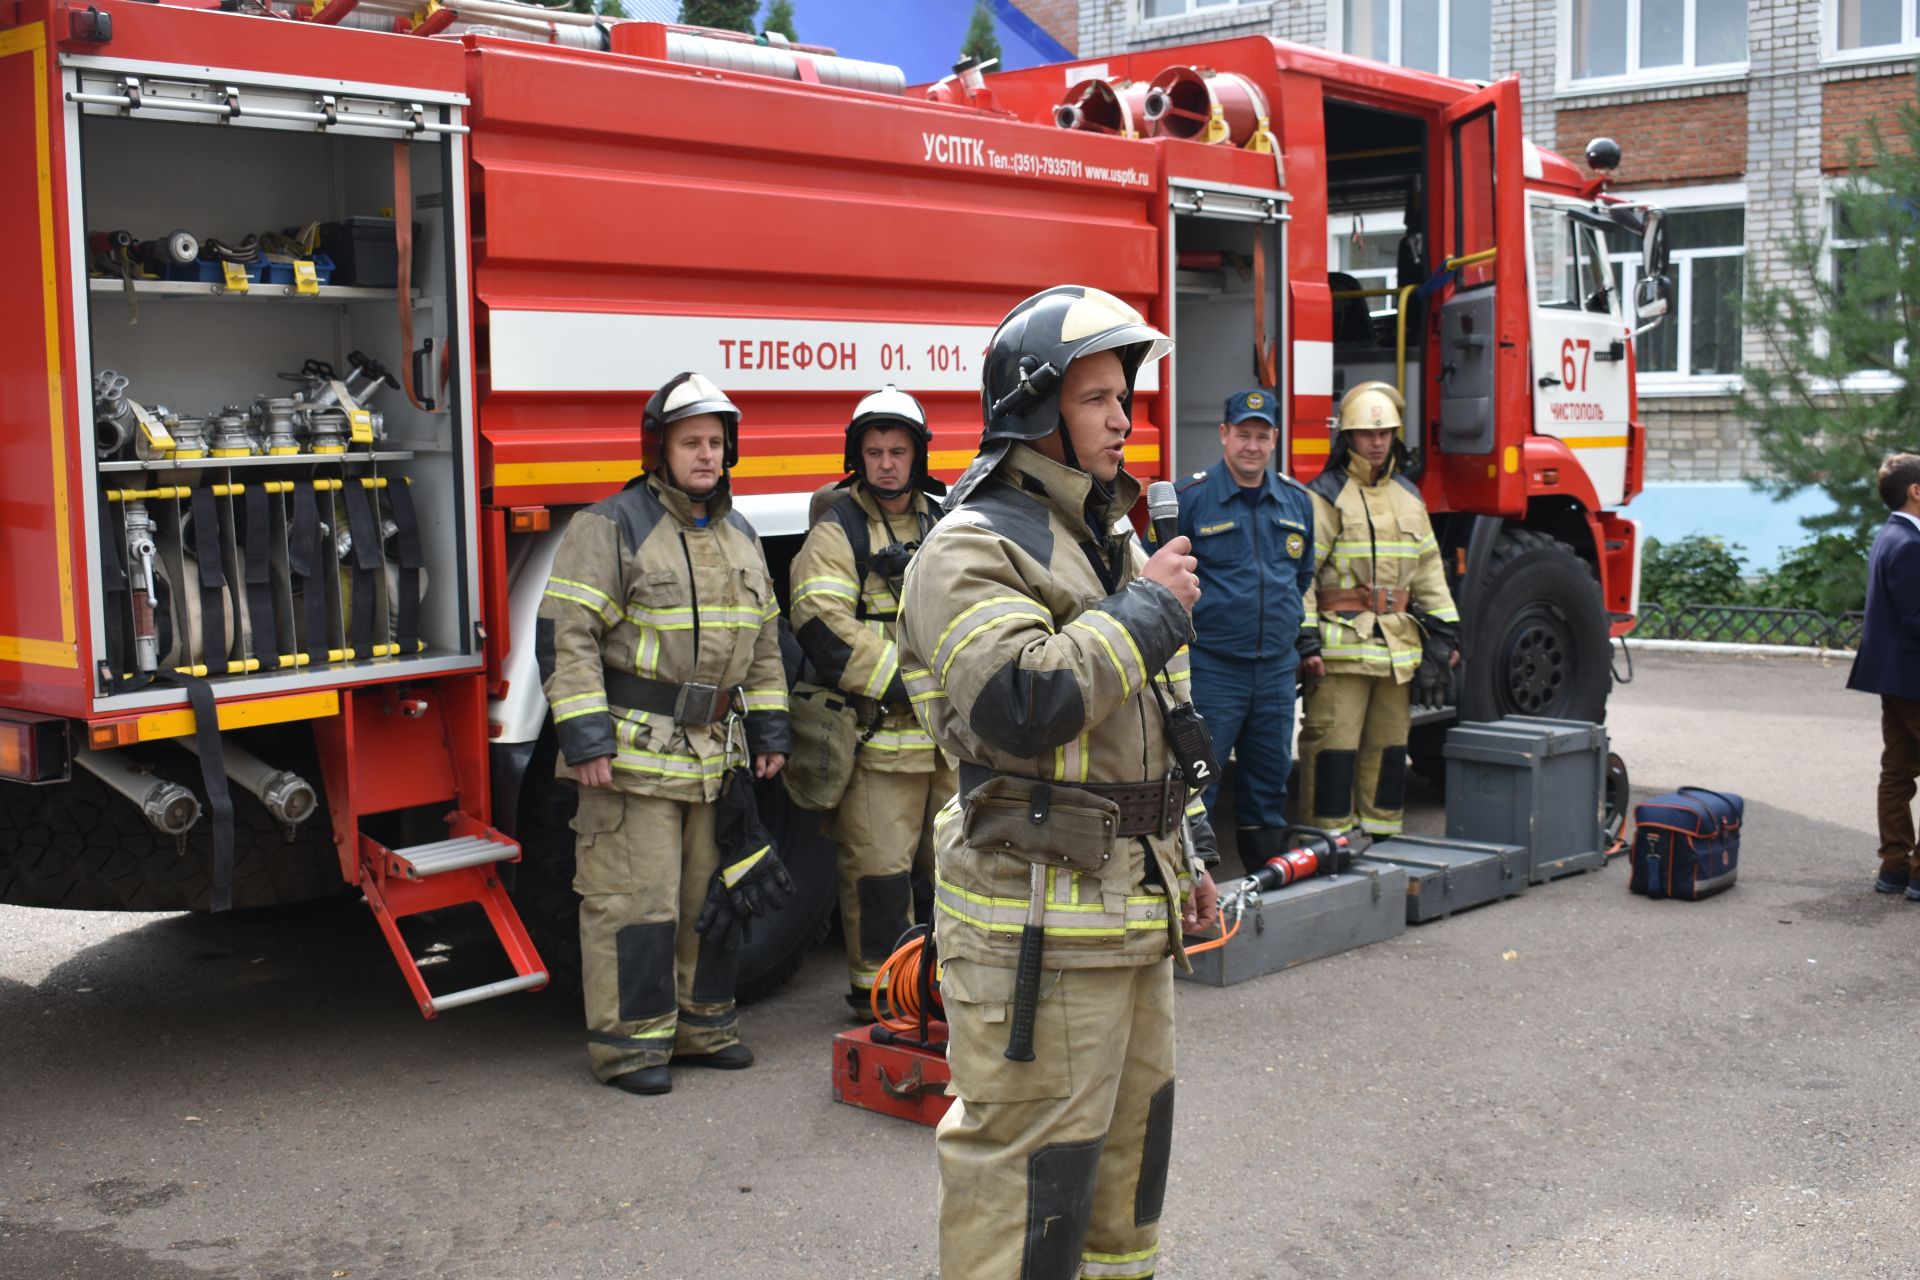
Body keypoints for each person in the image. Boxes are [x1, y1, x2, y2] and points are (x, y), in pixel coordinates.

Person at [897, 285, 1220, 1280]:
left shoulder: (1102, 537)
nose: (1125, 417)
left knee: (1127, 1179)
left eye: (1126, 395)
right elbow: (1021, 701)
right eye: (1098, 398)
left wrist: (1191, 855)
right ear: (1038, 411)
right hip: (1035, 927)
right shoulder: (969, 545)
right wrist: (1150, 609)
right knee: (1027, 1185)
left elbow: (1155, 726)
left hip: (1130, 913)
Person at [537, 371, 792, 1097]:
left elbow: (766, 645)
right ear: (660, 449)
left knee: (710, 899)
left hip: (713, 757)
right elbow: (568, 636)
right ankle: (631, 1047)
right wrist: (585, 739)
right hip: (633, 756)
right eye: (691, 442)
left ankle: (705, 1027)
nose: (706, 455)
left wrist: (770, 727)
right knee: (635, 902)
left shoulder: (740, 536)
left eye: (716, 442)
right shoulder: (611, 526)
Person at [788, 386, 959, 1011]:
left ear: (919, 456)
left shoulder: (946, 522)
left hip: (946, 741)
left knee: (952, 875)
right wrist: (911, 680)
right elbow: (819, 620)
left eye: (898, 451)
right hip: (881, 741)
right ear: (857, 457)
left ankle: (945, 991)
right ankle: (883, 1000)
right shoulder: (839, 529)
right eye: (875, 451)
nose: (887, 463)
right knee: (880, 879)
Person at [1295, 380, 1459, 842]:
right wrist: (1305, 642)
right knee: (1333, 751)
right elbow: (1304, 577)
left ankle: (1382, 842)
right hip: (1340, 651)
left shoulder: (1410, 496)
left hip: (1396, 655)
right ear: (1347, 437)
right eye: (1367, 434)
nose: (1377, 441)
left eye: (1385, 432)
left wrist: (1443, 641)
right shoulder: (1324, 495)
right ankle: (1324, 845)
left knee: (1388, 752)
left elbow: (1429, 574)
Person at [1169, 387, 1316, 868]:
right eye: (1243, 435)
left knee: (1269, 782)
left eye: (1262, 436)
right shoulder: (1189, 499)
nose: (1252, 445)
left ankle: (1262, 888)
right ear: (1224, 435)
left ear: (1274, 440)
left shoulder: (1297, 502)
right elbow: (1164, 583)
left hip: (1275, 669)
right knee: (1199, 781)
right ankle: (1196, 894)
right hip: (1214, 668)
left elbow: (1302, 576)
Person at [1849, 452, 1920, 898]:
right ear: (1917, 491)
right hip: (1914, 675)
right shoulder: (1911, 543)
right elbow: (1917, 617)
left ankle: (1894, 867)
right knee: (1897, 770)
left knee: (1897, 770)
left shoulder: (1889, 536)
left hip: (1894, 677)